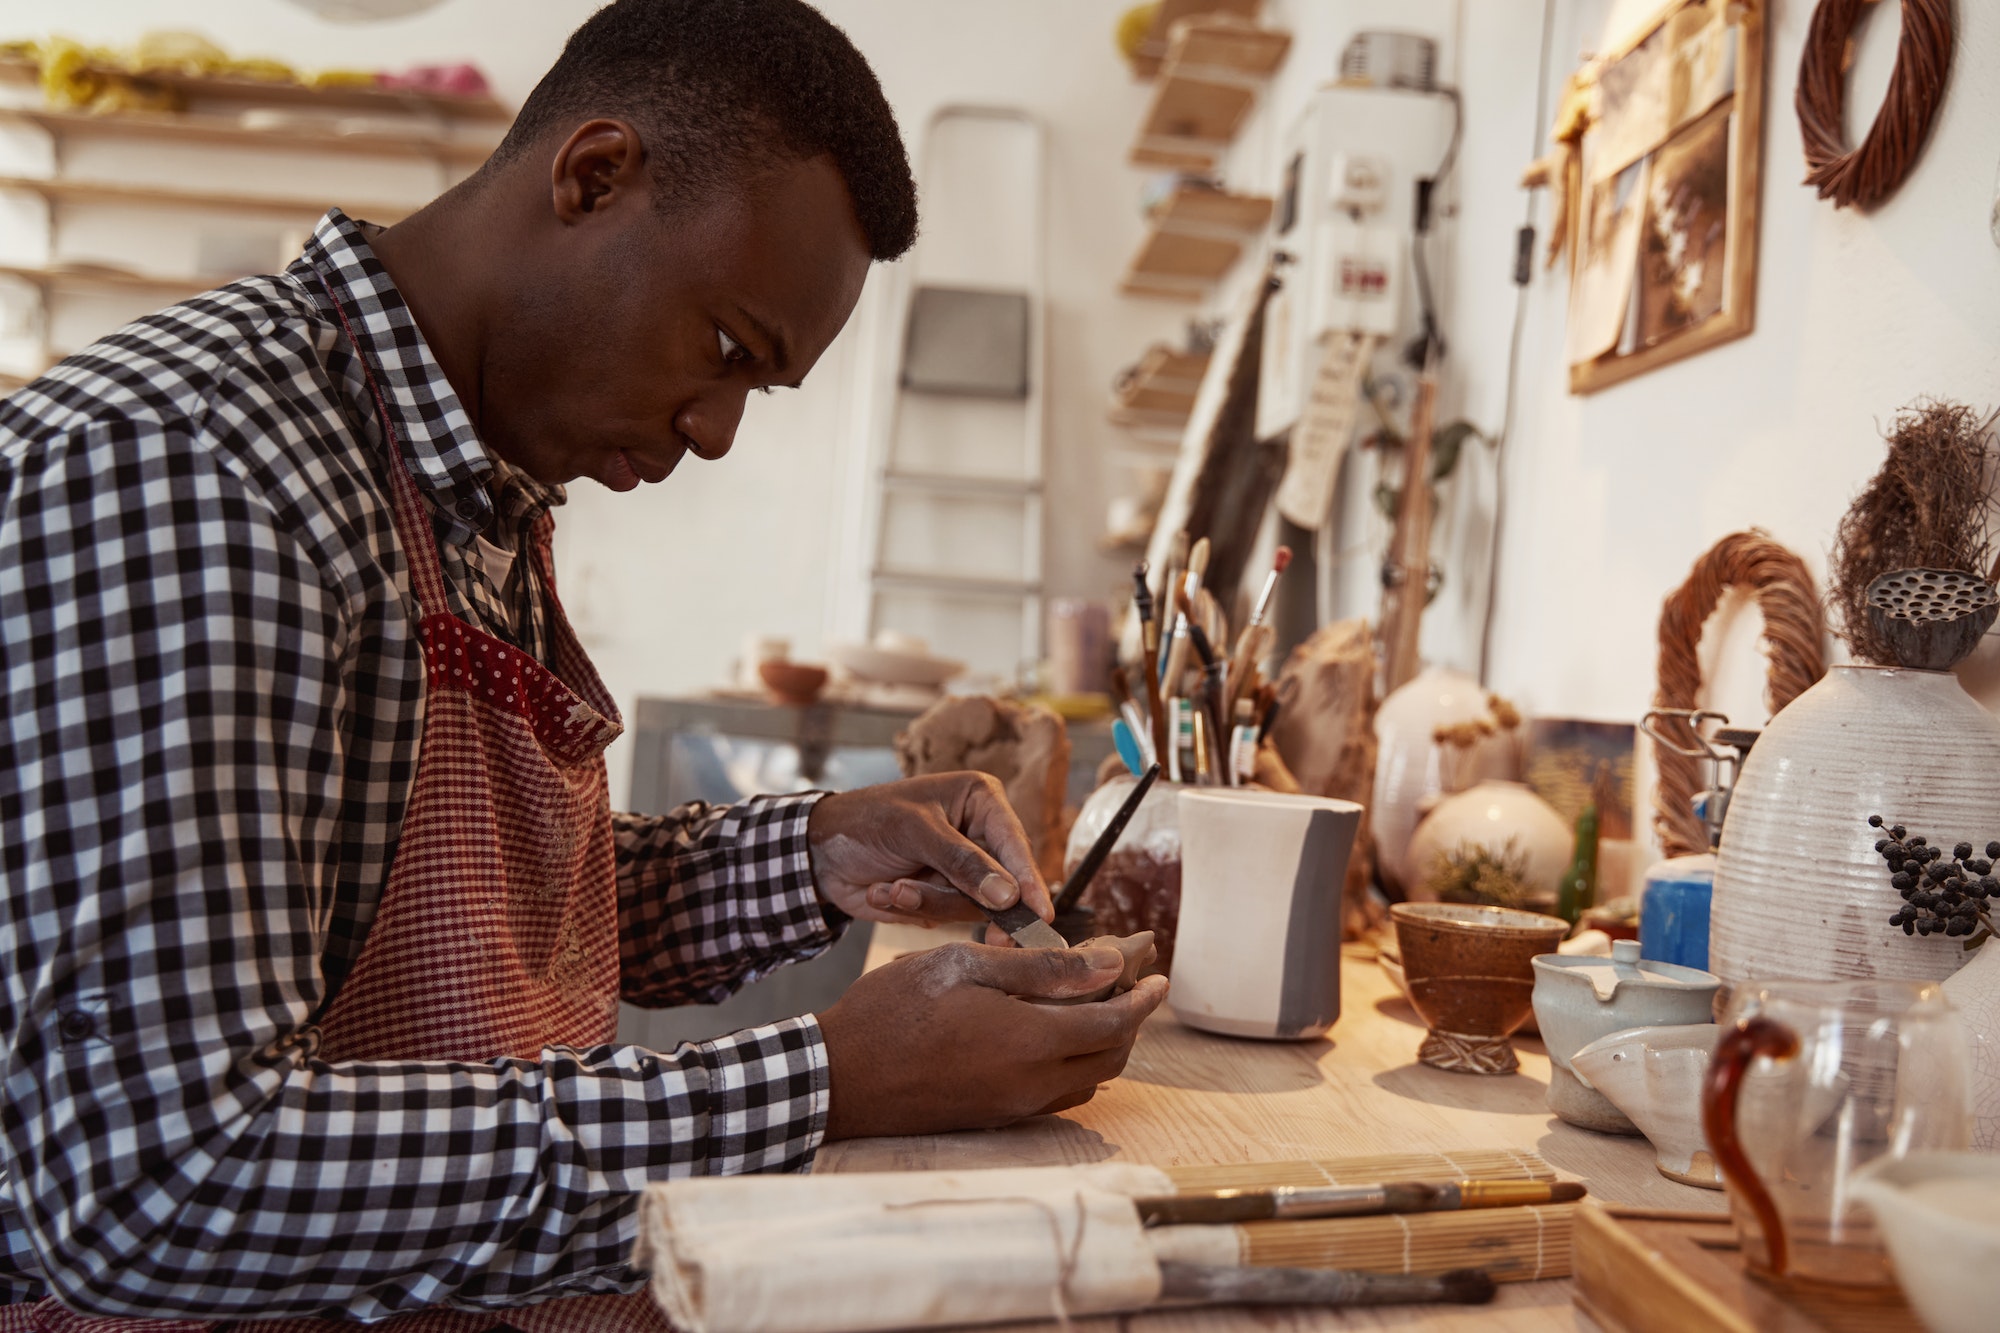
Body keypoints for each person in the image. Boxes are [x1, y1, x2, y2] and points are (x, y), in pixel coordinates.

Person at [0, 0, 1167, 1324]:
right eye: (730, 349)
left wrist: (812, 855)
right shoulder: (195, 479)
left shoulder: (465, 485)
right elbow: (158, 1187)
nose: (718, 430)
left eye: (758, 389)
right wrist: (831, 1078)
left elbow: (469, 921)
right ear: (594, 176)